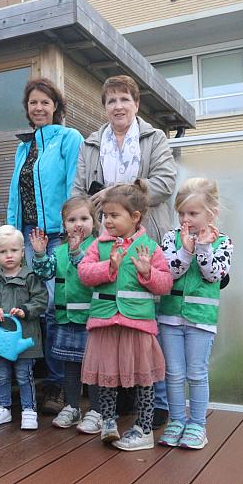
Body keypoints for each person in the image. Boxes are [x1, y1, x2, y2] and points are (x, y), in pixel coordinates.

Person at [72, 74, 177, 428]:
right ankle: (114, 405)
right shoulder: (91, 143)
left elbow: (165, 183)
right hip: (103, 239)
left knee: (148, 317)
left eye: (124, 99)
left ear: (136, 104)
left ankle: (157, 403)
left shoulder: (154, 138)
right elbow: (80, 191)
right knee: (110, 319)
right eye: (111, 100)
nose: (118, 106)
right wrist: (92, 209)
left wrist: (119, 191)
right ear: (104, 107)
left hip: (143, 238)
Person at [77, 181, 173, 451]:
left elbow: (165, 284)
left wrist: (147, 273)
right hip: (105, 323)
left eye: (114, 215)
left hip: (137, 325)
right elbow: (84, 273)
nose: (107, 221)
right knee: (106, 376)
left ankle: (144, 429)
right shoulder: (98, 245)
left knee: (143, 379)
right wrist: (110, 265)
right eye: (105, 215)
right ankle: (108, 422)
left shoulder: (150, 248)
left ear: (135, 217)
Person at [7, 77, 84, 415]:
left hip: (56, 235)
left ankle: (58, 384)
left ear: (56, 106)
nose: (38, 108)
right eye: (33, 103)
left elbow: (73, 184)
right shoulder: (23, 148)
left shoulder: (69, 138)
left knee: (53, 308)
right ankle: (40, 377)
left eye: (44, 102)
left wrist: (71, 229)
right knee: (34, 307)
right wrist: (12, 232)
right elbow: (14, 195)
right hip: (28, 234)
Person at [157, 178, 233, 450]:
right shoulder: (171, 238)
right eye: (181, 213)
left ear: (211, 213)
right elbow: (168, 272)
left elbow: (213, 275)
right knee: (174, 373)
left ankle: (198, 425)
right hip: (169, 318)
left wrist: (202, 247)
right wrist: (185, 251)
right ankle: (177, 420)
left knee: (197, 373)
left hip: (201, 319)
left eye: (193, 213)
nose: (186, 220)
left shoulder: (223, 242)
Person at [29, 196, 102, 434]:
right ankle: (72, 406)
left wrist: (76, 251)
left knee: (93, 368)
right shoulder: (59, 251)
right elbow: (45, 272)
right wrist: (39, 255)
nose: (77, 224)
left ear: (94, 221)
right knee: (70, 367)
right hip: (66, 319)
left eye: (84, 218)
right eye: (72, 220)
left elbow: (88, 273)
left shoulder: (98, 248)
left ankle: (96, 410)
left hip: (91, 320)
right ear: (64, 224)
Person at [0, 225, 47, 430]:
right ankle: (3, 407)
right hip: (1, 338)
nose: (9, 255)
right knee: (1, 374)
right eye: (3, 252)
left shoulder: (30, 276)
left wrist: (26, 310)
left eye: (14, 251)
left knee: (24, 375)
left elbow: (41, 299)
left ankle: (28, 409)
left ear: (22, 251)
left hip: (24, 337)